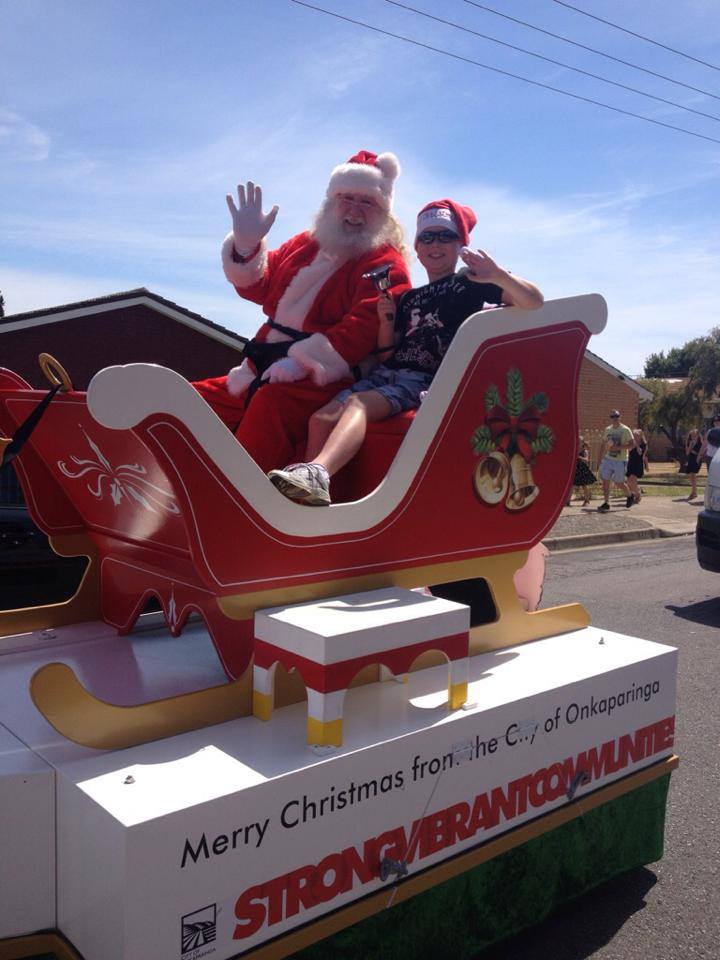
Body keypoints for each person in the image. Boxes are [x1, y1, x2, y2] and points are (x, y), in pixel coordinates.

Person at [267, 198, 544, 505]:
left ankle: (318, 472)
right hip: (389, 374)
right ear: (417, 245)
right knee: (320, 419)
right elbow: (388, 355)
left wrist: (499, 276)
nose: (434, 244)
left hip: (426, 381)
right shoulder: (410, 299)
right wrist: (386, 322)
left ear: (461, 243)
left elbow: (534, 301)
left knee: (357, 404)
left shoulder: (471, 281)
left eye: (445, 236)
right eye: (426, 237)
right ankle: (307, 501)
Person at [192, 150, 411, 473]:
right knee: (190, 401)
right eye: (346, 198)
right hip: (258, 368)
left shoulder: (385, 263)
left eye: (367, 203)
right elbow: (260, 288)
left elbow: (363, 326)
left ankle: (238, 499)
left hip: (321, 380)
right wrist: (245, 246)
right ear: (331, 201)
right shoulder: (304, 245)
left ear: (383, 212)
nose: (354, 210)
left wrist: (302, 363)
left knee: (271, 406)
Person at [596, 410, 634, 512]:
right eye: (612, 416)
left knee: (619, 483)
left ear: (619, 417)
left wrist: (618, 448)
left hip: (620, 460)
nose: (615, 418)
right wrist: (599, 459)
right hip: (608, 459)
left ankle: (630, 495)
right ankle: (606, 503)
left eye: (616, 416)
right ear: (611, 418)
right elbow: (603, 444)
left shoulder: (625, 430)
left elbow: (632, 444)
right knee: (605, 481)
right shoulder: (608, 429)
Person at [626, 428, 648, 503]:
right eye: (634, 435)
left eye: (637, 435)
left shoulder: (643, 444)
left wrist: (636, 446)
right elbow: (628, 451)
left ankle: (637, 495)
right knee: (628, 481)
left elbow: (640, 453)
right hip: (631, 462)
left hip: (638, 463)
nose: (635, 437)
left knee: (633, 480)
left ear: (641, 436)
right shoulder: (631, 443)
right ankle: (636, 493)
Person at [572, 435, 596, 506]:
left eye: (579, 441)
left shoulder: (584, 451)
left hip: (582, 469)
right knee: (571, 486)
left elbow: (586, 460)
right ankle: (567, 501)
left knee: (584, 486)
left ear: (582, 443)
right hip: (575, 469)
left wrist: (579, 457)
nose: (578, 442)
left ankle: (586, 500)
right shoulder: (574, 449)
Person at [683, 428, 703, 500]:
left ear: (698, 436)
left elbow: (698, 453)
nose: (693, 437)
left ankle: (694, 492)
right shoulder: (690, 442)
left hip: (696, 460)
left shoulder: (700, 443)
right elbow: (687, 453)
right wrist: (687, 444)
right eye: (691, 436)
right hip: (691, 459)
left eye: (694, 435)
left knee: (693, 475)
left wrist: (691, 448)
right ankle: (694, 491)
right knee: (691, 476)